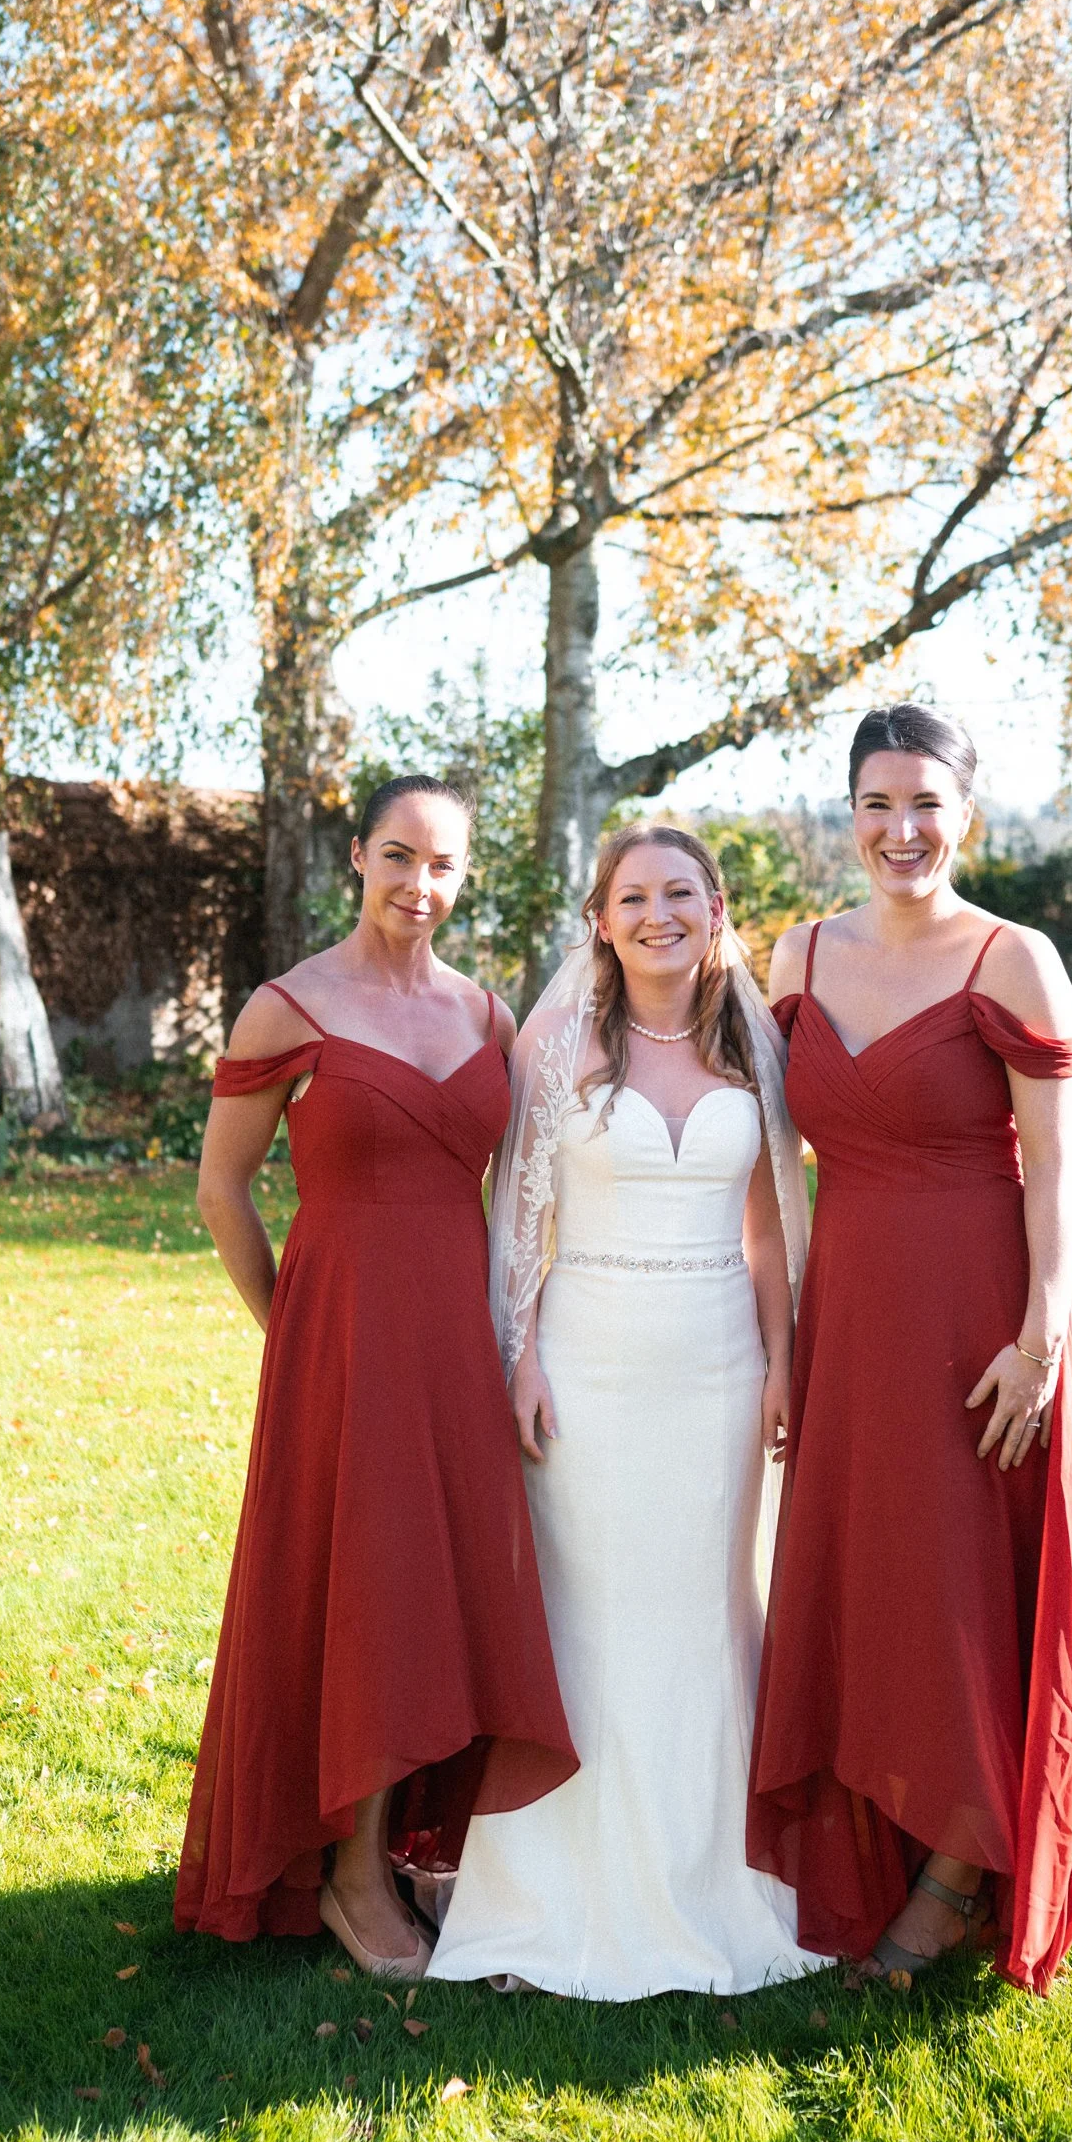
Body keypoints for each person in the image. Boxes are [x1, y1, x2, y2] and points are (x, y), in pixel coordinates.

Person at [174, 775, 576, 1979]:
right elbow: (220, 1190)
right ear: (357, 856)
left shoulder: (490, 1017)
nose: (418, 884)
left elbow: (531, 1184)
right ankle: (347, 1878)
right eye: (396, 856)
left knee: (434, 1594)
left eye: (442, 864)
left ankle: (411, 1843)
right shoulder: (287, 1008)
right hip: (343, 1346)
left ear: (464, 875)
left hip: (458, 1348)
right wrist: (291, 1324)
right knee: (362, 1591)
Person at [747, 704, 1072, 1995]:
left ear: (965, 811)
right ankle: (871, 1841)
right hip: (850, 1320)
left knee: (959, 1590)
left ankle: (955, 1876)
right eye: (874, 805)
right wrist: (782, 1339)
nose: (899, 831)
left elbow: (1054, 1174)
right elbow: (767, 1172)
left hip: (977, 1321)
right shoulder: (793, 957)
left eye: (923, 804)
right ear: (845, 815)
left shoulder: (1013, 960)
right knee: (872, 1584)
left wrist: (1039, 1332)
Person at [426, 825, 821, 1999]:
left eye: (680, 893)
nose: (658, 913)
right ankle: (551, 1894)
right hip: (587, 1367)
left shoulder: (752, 1042)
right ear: (599, 918)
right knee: (586, 1616)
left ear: (714, 908)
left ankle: (720, 1885)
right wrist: (521, 1357)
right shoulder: (552, 1042)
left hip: (717, 1368)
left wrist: (783, 1361)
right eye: (632, 896)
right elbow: (518, 1219)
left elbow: (769, 1227)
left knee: (708, 1613)